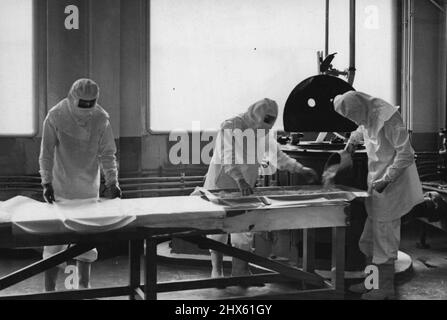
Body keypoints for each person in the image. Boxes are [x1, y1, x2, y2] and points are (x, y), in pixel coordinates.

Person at [203, 98, 318, 279]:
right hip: (221, 185)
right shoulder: (231, 125)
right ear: (256, 115)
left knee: (244, 230)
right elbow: (227, 156)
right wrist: (240, 180)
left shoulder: (264, 133)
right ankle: (216, 270)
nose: (264, 130)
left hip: (245, 187)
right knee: (219, 229)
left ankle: (240, 271)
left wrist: (300, 168)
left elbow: (277, 156)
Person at [334, 91, 424, 300]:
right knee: (369, 241)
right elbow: (362, 128)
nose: (355, 121)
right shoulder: (366, 113)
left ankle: (384, 289)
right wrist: (351, 143)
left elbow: (406, 154)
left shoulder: (389, 117)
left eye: (353, 117)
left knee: (384, 242)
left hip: (391, 187)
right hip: (377, 186)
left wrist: (386, 180)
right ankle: (370, 283)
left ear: (361, 108)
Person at [39, 78, 122, 291]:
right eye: (82, 104)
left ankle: (83, 288)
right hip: (60, 188)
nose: (86, 109)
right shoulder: (55, 115)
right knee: (55, 242)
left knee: (85, 242)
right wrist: (46, 182)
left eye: (90, 103)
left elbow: (107, 153)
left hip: (88, 190)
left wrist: (112, 181)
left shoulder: (101, 118)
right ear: (72, 98)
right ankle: (50, 291)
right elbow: (46, 153)